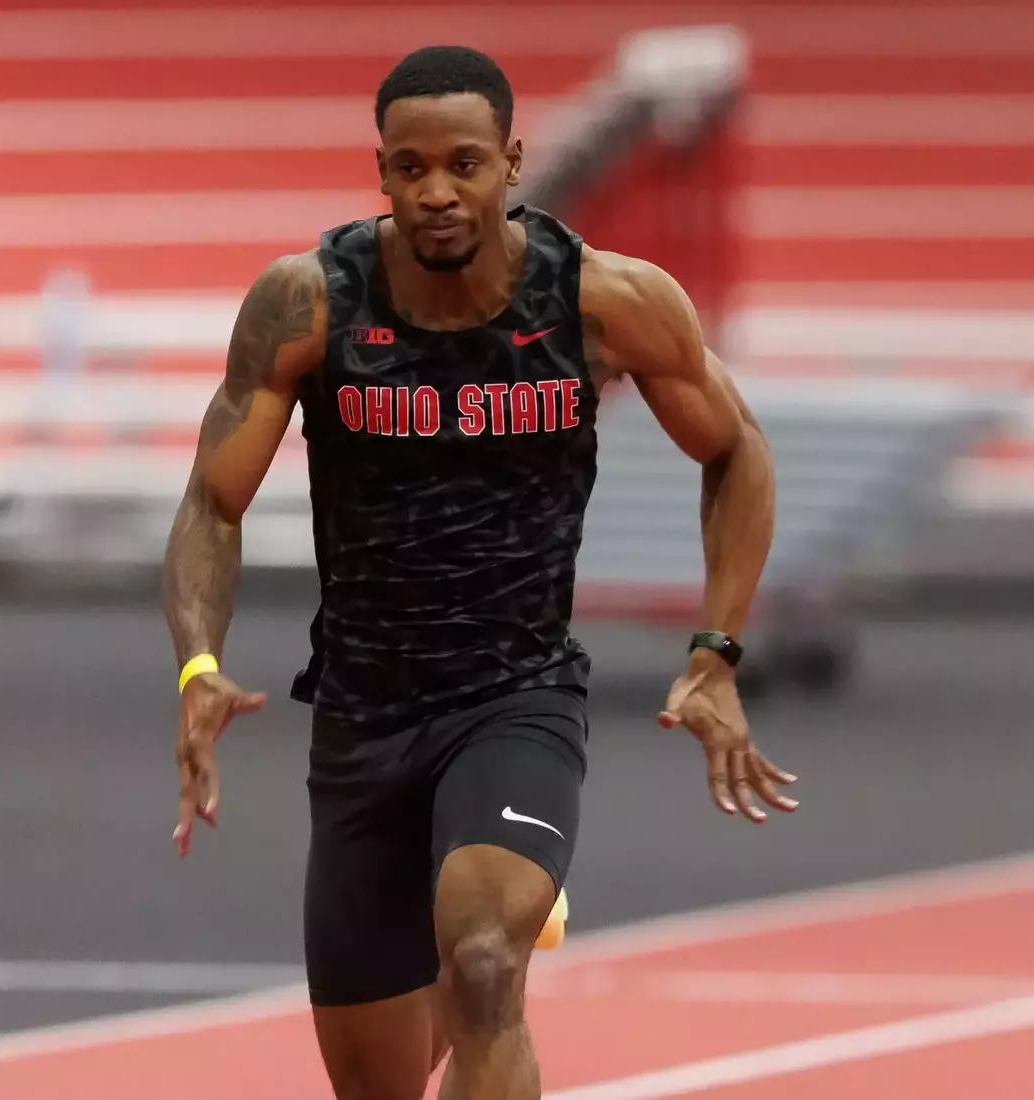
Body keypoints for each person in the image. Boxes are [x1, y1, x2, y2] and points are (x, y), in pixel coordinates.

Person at [162, 44, 799, 1100]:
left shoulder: (601, 301)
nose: (437, 192)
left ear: (511, 162)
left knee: (487, 963)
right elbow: (211, 503)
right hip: (363, 716)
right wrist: (198, 666)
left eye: (463, 164)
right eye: (410, 168)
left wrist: (715, 651)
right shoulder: (309, 303)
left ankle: (493, 921)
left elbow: (737, 450)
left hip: (515, 698)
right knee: (387, 1078)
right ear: (381, 172)